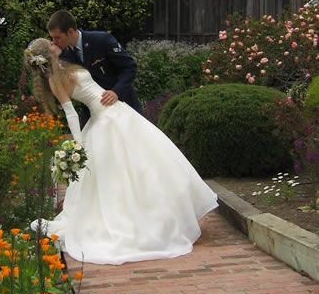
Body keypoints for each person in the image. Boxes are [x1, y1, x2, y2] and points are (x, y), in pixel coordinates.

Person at [25, 38, 218, 266]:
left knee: (148, 162)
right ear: (49, 53)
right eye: (51, 43)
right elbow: (71, 113)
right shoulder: (55, 81)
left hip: (118, 112)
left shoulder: (66, 66)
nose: (56, 43)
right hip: (104, 120)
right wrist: (78, 144)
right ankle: (137, 221)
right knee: (123, 173)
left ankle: (162, 214)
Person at [47, 10, 143, 128]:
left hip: (122, 105)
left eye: (57, 38)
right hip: (92, 115)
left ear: (70, 32)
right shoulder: (62, 55)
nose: (54, 42)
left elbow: (129, 67)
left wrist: (116, 91)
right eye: (52, 38)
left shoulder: (101, 40)